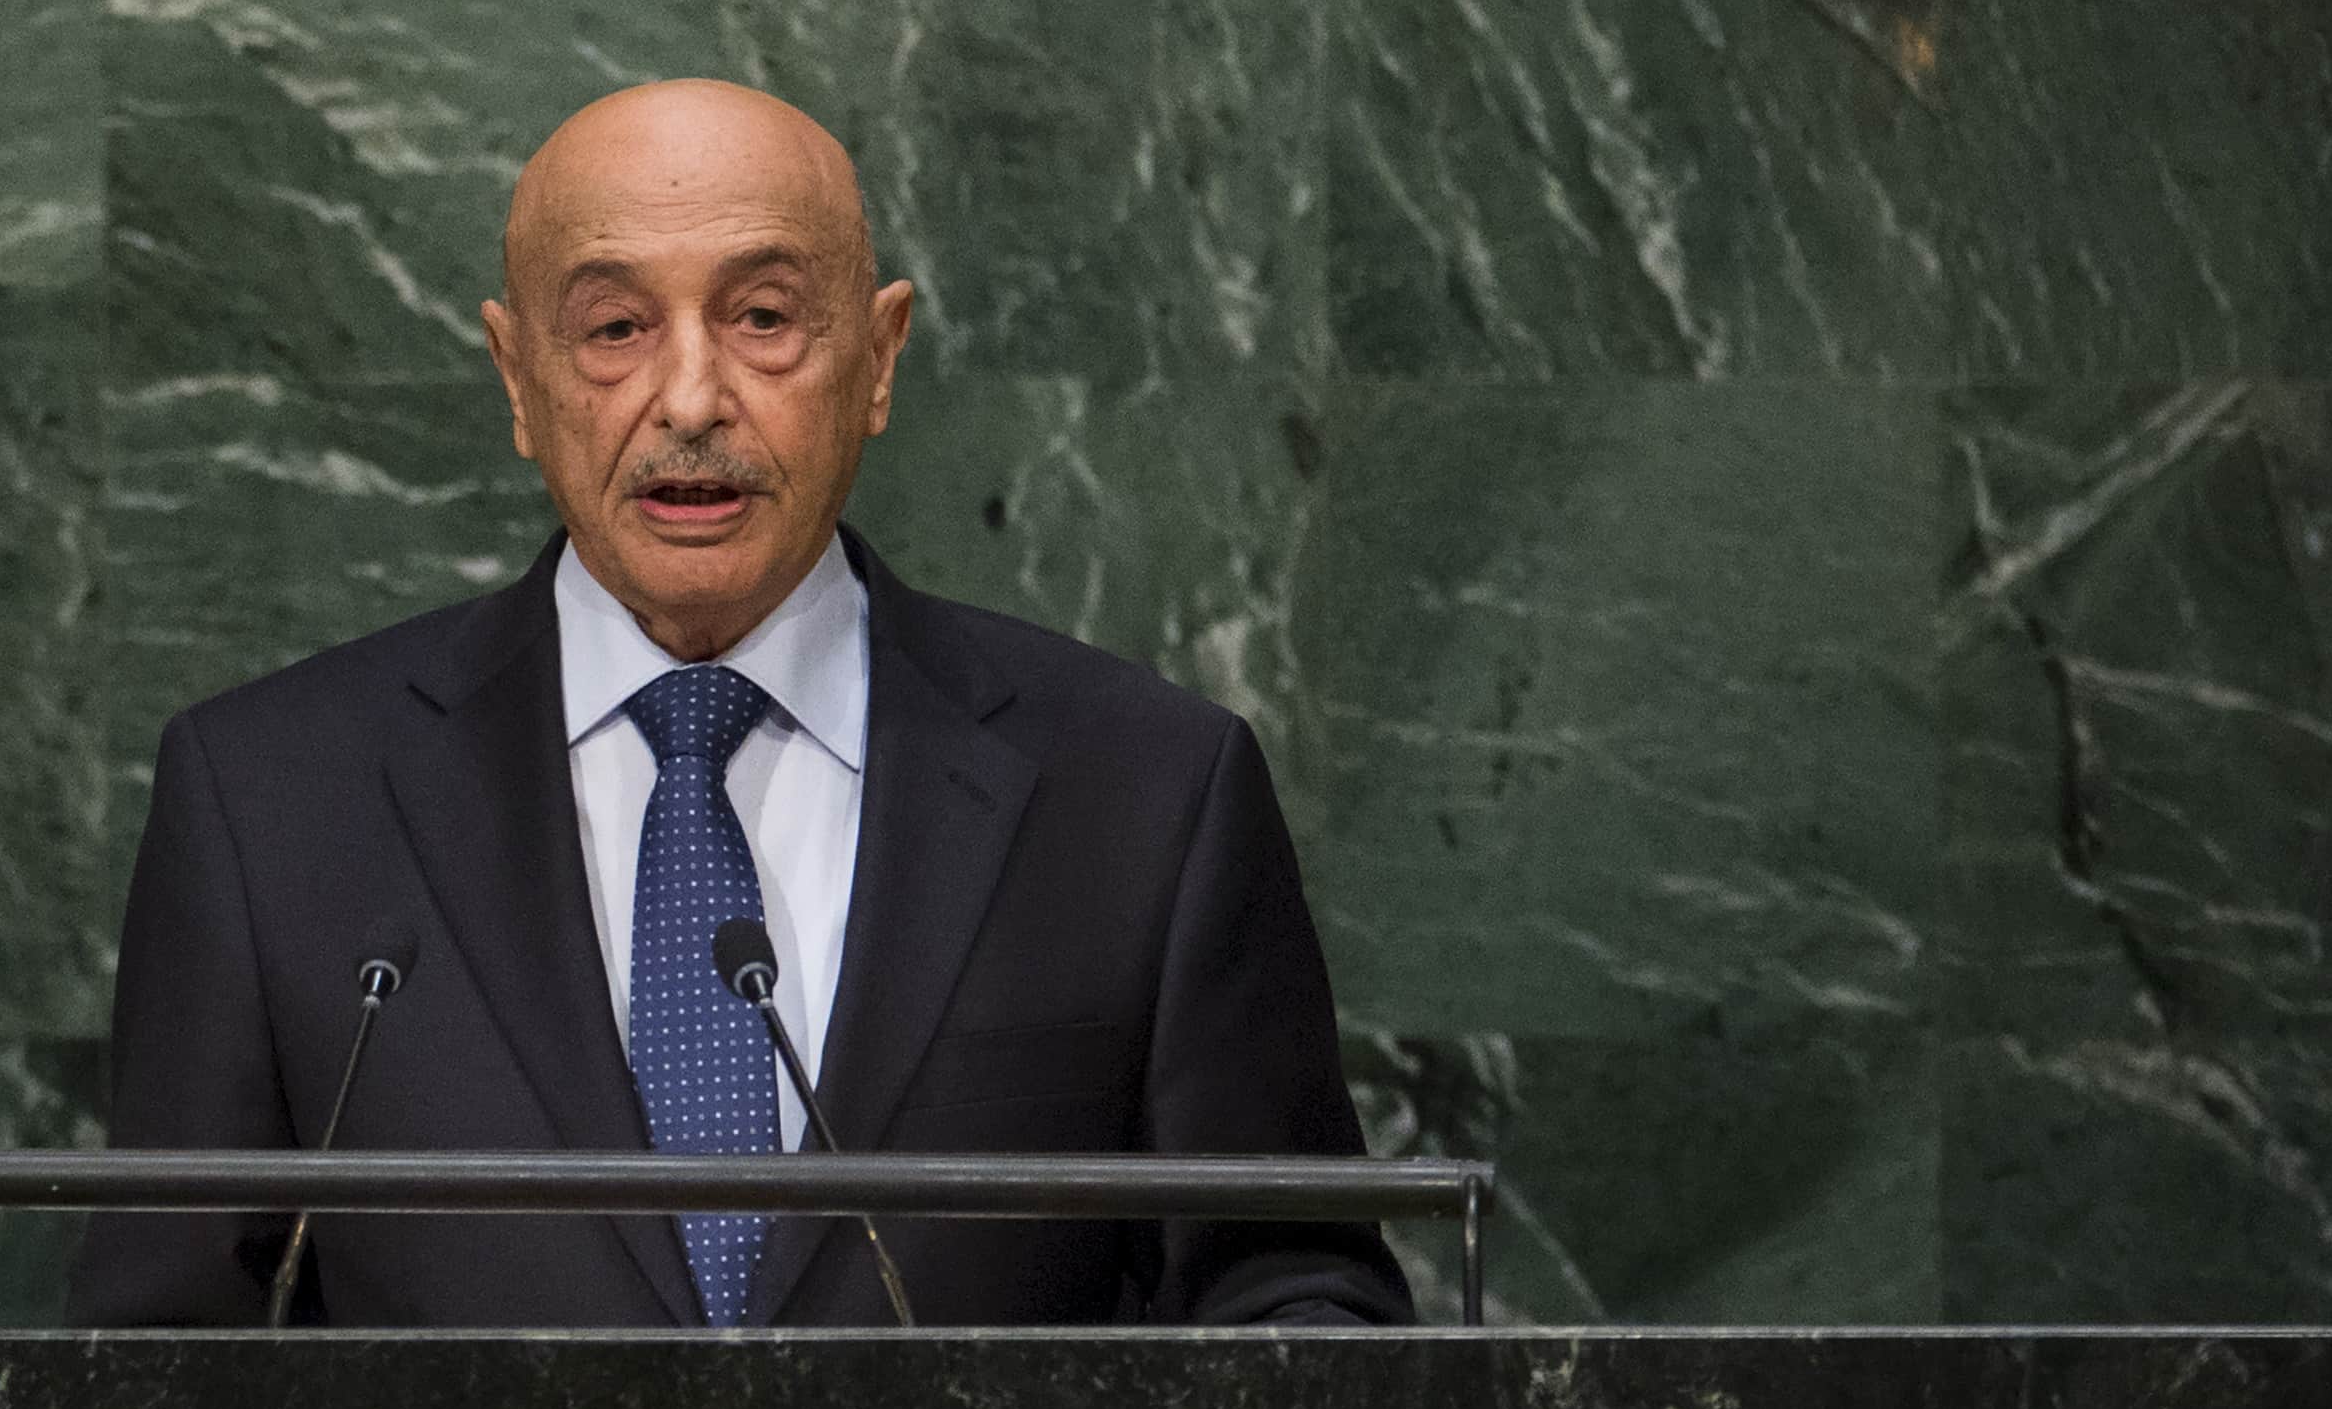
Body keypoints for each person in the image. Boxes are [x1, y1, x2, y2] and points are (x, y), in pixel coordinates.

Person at [70, 80, 1409, 1328]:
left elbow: (1290, 1301)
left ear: (879, 357)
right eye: (613, 329)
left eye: (765, 318)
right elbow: (155, 1384)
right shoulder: (270, 806)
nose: (693, 397)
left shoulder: (1144, 794)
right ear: (517, 379)